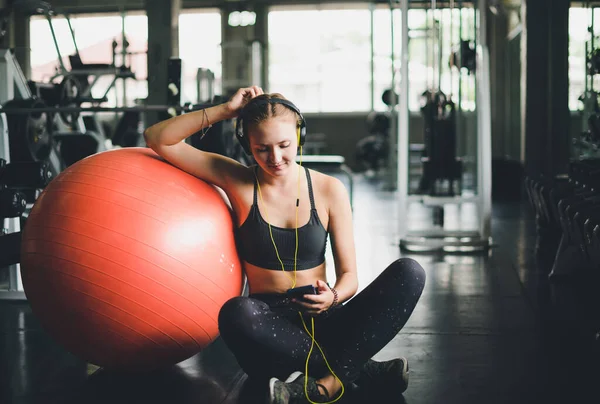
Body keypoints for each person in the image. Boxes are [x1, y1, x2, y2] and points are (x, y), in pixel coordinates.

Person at [144, 86, 426, 404]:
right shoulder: (237, 180)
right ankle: (358, 370)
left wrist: (332, 297)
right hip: (267, 334)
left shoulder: (329, 189)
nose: (275, 158)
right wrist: (226, 110)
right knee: (236, 313)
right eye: (262, 148)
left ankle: (326, 383)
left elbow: (350, 278)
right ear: (246, 144)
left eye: (284, 145)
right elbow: (157, 138)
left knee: (410, 272)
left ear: (299, 136)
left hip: (325, 319)